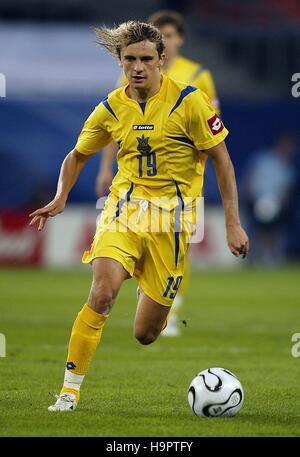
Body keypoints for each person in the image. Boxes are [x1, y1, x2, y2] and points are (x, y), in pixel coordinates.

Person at [29, 21, 249, 412]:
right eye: (130, 59)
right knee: (102, 293)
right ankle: (68, 392)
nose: (138, 67)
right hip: (123, 212)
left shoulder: (190, 102)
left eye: (146, 58)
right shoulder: (112, 106)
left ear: (161, 59)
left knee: (146, 334)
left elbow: (223, 160)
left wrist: (232, 222)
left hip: (173, 222)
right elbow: (77, 154)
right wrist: (61, 196)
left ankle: (148, 286)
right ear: (120, 61)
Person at [96, 10, 220, 336]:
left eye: (173, 34)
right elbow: (116, 126)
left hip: (184, 177)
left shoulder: (198, 76)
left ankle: (171, 307)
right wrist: (106, 167)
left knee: (180, 243)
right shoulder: (134, 73)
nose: (137, 64)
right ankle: (155, 294)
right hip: (138, 180)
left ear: (176, 41)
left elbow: (211, 127)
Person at [243, 132, 297, 266]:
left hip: (277, 204)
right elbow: (249, 179)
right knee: (259, 227)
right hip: (256, 200)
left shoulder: (289, 169)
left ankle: (273, 255)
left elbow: (287, 192)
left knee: (274, 228)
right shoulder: (263, 159)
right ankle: (257, 256)